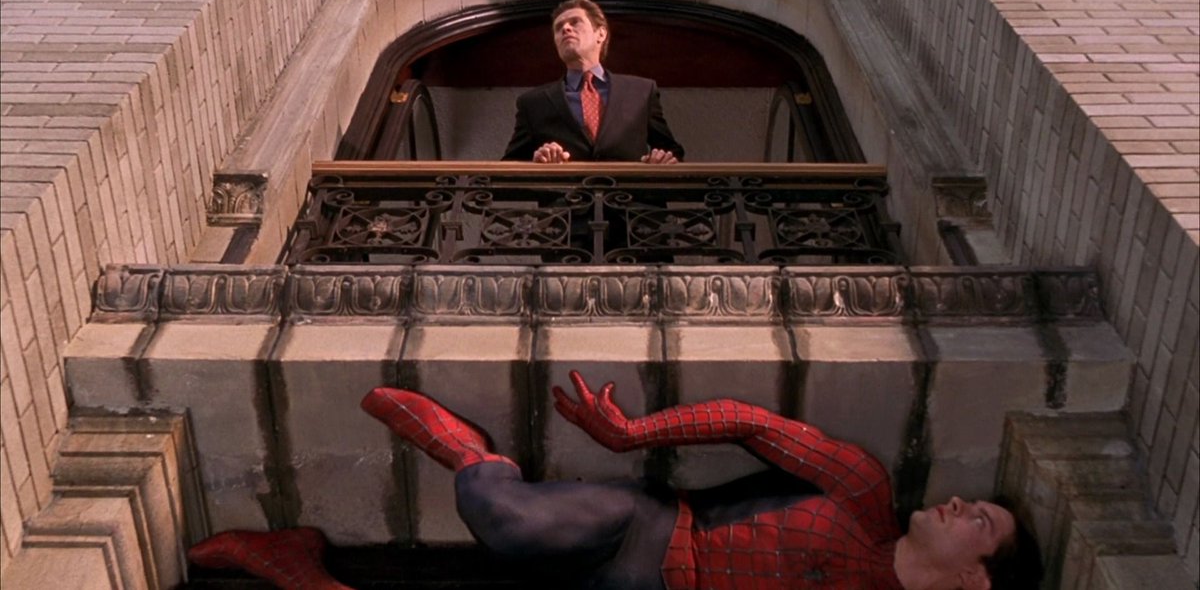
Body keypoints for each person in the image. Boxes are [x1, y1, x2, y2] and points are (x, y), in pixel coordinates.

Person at [189, 371, 1043, 589]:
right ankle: (469, 455)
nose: (960, 504)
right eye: (976, 502)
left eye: (981, 522)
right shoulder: (864, 494)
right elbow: (752, 424)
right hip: (651, 530)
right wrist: (633, 434)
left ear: (977, 581)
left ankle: (296, 566)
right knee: (502, 518)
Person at [501, 0, 685, 165]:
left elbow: (671, 151)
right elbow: (509, 167)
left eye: (575, 22)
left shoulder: (641, 91)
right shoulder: (533, 103)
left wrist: (662, 158)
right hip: (566, 191)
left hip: (630, 191)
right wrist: (537, 161)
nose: (565, 28)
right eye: (558, 28)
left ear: (601, 34)